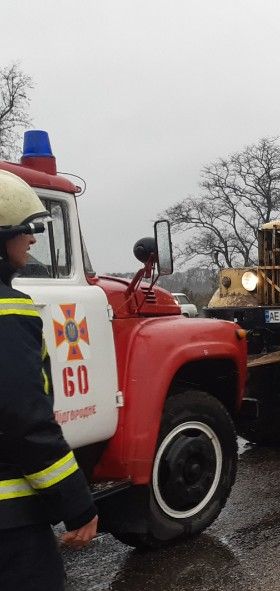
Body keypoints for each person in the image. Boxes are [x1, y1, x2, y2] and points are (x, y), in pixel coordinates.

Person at [0, 170, 97, 591]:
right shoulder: (9, 312)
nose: (33, 239)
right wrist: (76, 504)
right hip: (10, 526)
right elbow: (22, 419)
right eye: (26, 229)